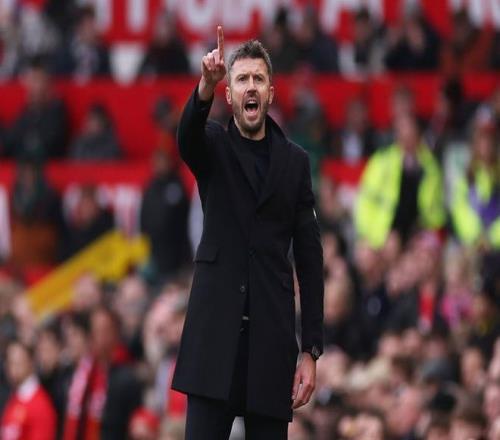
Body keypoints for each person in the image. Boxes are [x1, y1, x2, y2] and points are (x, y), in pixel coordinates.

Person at [171, 27, 324, 439]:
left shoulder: (295, 163)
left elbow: (310, 260)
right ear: (229, 94)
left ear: (271, 93)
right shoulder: (212, 146)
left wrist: (311, 350)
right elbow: (185, 138)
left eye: (258, 78)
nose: (250, 86)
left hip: (271, 347)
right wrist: (204, 85)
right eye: (241, 79)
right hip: (213, 342)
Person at [355, 113, 445, 249]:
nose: (407, 139)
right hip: (383, 231)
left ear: (418, 135)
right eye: (403, 133)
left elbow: (435, 211)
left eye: (411, 134)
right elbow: (365, 202)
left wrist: (429, 233)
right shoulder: (382, 161)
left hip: (418, 233)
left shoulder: (431, 167)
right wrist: (373, 236)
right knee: (370, 252)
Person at [0, 340, 57, 440]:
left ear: (31, 362)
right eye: (10, 362)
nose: (13, 368)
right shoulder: (15, 397)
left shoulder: (40, 404)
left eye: (18, 362)